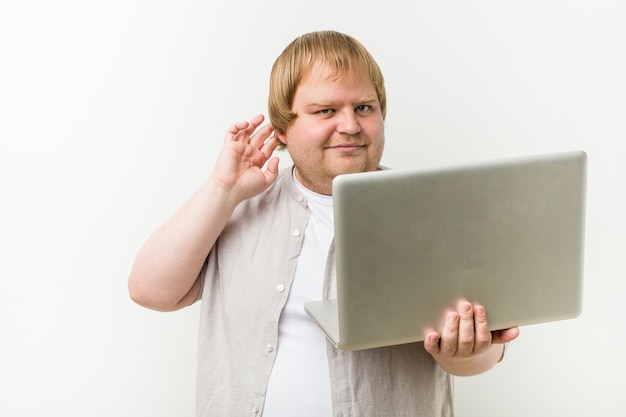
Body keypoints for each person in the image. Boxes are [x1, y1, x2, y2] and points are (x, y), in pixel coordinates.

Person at [128, 30, 520, 417]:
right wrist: (222, 189)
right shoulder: (233, 208)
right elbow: (151, 291)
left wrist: (470, 350)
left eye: (364, 107)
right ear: (282, 127)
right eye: (326, 111)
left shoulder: (437, 215)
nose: (350, 126)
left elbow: (482, 357)